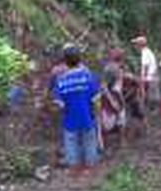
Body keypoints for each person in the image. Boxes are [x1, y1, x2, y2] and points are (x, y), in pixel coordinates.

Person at [52, 44, 102, 177]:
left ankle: (74, 171)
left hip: (70, 120)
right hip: (88, 118)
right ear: (80, 59)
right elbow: (96, 100)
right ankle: (89, 171)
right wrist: (97, 114)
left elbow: (59, 105)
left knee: (71, 144)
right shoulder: (89, 76)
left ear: (65, 62)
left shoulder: (60, 80)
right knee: (90, 143)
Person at [101, 48, 128, 146]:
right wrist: (112, 100)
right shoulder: (110, 69)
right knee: (108, 121)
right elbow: (103, 86)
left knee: (121, 118)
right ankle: (104, 142)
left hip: (117, 95)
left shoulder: (119, 67)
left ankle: (122, 141)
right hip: (111, 96)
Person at [131, 35, 158, 113]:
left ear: (140, 45)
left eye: (136, 44)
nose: (135, 46)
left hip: (148, 78)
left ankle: (145, 111)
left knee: (144, 95)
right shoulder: (148, 52)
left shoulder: (145, 53)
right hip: (151, 77)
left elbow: (145, 67)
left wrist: (142, 80)